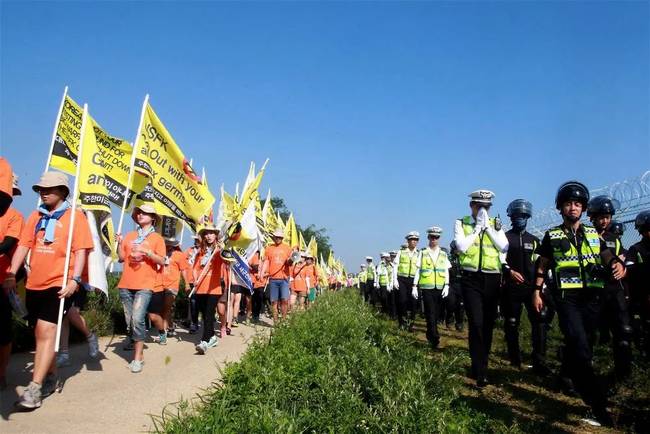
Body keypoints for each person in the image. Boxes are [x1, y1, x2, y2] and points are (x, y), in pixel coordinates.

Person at [532, 181, 625, 426]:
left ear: (583, 208)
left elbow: (605, 253)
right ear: (560, 208)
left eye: (577, 204)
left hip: (591, 298)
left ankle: (566, 373)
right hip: (567, 299)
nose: (572, 208)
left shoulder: (594, 233)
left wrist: (616, 263)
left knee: (583, 346)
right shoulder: (551, 235)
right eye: (568, 204)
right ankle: (598, 405)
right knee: (582, 351)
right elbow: (542, 264)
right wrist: (537, 291)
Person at [4, 171, 93, 408]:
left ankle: (34, 390)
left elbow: (81, 250)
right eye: (41, 189)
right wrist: (12, 273)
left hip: (59, 284)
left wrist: (75, 280)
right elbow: (24, 245)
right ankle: (51, 377)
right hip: (34, 284)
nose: (43, 193)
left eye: (49, 189)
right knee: (40, 334)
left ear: (63, 191)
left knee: (46, 332)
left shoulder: (75, 217)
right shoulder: (35, 216)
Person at [453, 189, 508, 387]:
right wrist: (477, 229)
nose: (483, 210)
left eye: (486, 206)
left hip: (492, 278)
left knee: (487, 324)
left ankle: (481, 364)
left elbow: (504, 246)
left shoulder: (496, 224)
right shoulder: (462, 222)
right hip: (471, 279)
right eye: (479, 206)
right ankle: (480, 369)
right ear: (472, 206)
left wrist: (489, 230)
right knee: (476, 322)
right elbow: (461, 247)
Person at [501, 199, 550, 375]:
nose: (519, 218)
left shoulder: (535, 240)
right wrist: (509, 272)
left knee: (540, 321)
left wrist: (541, 287)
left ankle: (539, 361)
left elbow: (542, 265)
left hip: (531, 289)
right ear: (511, 217)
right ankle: (514, 358)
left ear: (527, 217)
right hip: (511, 288)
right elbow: (498, 261)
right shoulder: (504, 239)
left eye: (522, 215)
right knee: (512, 322)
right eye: (516, 216)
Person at [116, 203, 166, 373]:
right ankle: (137, 348)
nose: (140, 215)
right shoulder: (130, 235)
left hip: (145, 285)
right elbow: (121, 258)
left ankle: (138, 358)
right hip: (126, 284)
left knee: (138, 319)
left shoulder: (157, 239)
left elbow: (162, 261)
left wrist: (148, 252)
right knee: (130, 322)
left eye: (145, 213)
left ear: (153, 218)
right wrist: (119, 243)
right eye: (139, 212)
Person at [587, 195, 633, 380]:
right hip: (594, 290)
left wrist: (623, 271)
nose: (605, 221)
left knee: (623, 331)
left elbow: (624, 260)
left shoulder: (614, 238)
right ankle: (585, 370)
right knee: (589, 332)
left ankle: (623, 374)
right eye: (601, 217)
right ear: (592, 218)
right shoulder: (585, 236)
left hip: (615, 290)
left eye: (608, 217)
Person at [0, 168, 24, 390]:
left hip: (3, 280)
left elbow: (8, 243)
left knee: (4, 333)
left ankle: (2, 372)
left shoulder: (15, 216)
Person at [413, 227, 451, 349]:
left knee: (438, 313)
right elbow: (418, 270)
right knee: (430, 312)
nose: (434, 239)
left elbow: (446, 271)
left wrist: (446, 285)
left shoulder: (444, 254)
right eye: (432, 237)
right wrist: (414, 286)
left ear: (439, 238)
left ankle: (430, 333)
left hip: (440, 287)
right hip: (427, 287)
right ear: (428, 237)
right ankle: (435, 337)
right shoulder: (423, 253)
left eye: (436, 237)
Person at [192, 224, 225, 352]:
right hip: (200, 287)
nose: (208, 236)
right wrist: (195, 280)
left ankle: (204, 341)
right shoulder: (200, 251)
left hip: (214, 288)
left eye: (211, 233)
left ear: (216, 235)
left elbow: (226, 259)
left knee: (209, 313)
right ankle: (212, 337)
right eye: (206, 233)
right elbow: (195, 268)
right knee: (205, 315)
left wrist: (221, 249)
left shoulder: (219, 250)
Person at [625, 211, 650, 359]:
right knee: (642, 324)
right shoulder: (636, 249)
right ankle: (643, 348)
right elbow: (630, 270)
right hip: (640, 293)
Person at [263, 228, 294, 323]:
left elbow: (291, 262)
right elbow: (266, 261)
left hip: (284, 278)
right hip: (273, 279)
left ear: (282, 238)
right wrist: (263, 273)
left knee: (284, 300)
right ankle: (276, 322)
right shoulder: (269, 248)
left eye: (280, 237)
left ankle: (284, 320)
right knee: (274, 301)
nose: (278, 239)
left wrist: (290, 261)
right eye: (276, 237)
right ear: (273, 237)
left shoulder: (287, 248)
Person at [161, 237, 189, 338]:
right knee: (164, 309)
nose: (167, 245)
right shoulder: (159, 253)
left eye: (170, 244)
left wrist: (186, 284)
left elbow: (184, 270)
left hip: (172, 285)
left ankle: (163, 332)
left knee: (167, 307)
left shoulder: (179, 255)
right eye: (166, 243)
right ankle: (171, 326)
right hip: (159, 285)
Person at [393, 232, 420, 330]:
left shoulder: (419, 253)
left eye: (416, 239)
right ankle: (402, 322)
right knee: (402, 301)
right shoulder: (401, 252)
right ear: (408, 241)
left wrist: (416, 285)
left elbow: (419, 269)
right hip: (402, 279)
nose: (414, 241)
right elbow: (395, 266)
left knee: (413, 302)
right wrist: (394, 279)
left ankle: (411, 323)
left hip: (413, 280)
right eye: (412, 239)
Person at [183, 235, 201, 333]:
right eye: (195, 239)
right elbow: (183, 263)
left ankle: (194, 322)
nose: (196, 241)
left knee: (196, 302)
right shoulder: (189, 250)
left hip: (200, 280)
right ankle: (191, 321)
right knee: (192, 301)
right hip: (190, 280)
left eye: (198, 239)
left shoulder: (205, 251)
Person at [446, 242, 464, 331]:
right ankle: (449, 318)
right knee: (451, 303)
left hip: (462, 284)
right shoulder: (449, 259)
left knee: (460, 305)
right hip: (451, 284)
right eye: (455, 248)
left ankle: (459, 323)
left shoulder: (464, 258)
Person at [249, 250, 266, 323]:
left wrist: (262, 274)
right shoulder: (252, 256)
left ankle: (257, 315)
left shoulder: (265, 259)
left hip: (261, 283)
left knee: (259, 298)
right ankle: (253, 315)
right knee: (253, 299)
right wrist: (255, 266)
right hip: (253, 281)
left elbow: (268, 271)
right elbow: (250, 265)